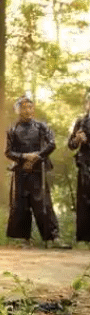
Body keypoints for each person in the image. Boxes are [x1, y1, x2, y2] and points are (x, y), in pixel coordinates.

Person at [5, 95, 65, 248]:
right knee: (21, 205)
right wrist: (24, 157)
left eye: (30, 107)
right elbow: (9, 152)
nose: (27, 110)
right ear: (18, 110)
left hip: (39, 171)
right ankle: (24, 240)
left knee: (43, 204)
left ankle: (53, 238)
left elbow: (51, 144)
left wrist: (36, 157)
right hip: (21, 171)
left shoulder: (41, 127)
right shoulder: (13, 130)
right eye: (24, 108)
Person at [68, 92, 90, 243]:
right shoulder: (80, 122)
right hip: (84, 165)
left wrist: (87, 141)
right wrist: (77, 139)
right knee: (83, 201)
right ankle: (84, 238)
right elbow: (71, 145)